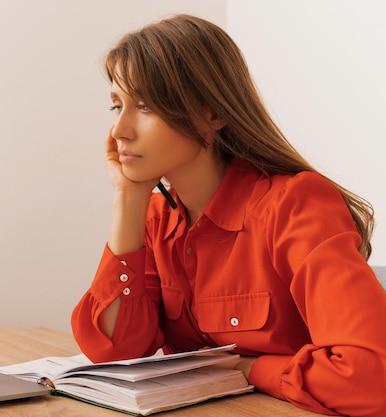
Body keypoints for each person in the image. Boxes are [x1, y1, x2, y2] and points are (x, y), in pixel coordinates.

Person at [71, 14, 386, 417]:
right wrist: (127, 198)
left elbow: (368, 378)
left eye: (145, 106)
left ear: (212, 114)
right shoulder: (156, 219)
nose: (119, 130)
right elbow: (114, 350)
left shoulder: (295, 204)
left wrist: (252, 369)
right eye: (117, 105)